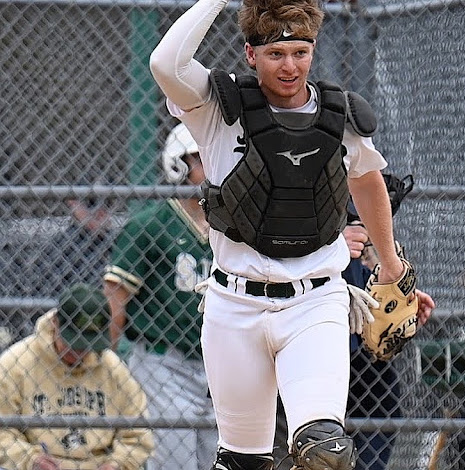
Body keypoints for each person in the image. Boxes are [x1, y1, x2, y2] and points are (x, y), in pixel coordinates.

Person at [149, 0, 435, 468]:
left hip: (314, 302)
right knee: (243, 461)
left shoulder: (336, 113)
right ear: (250, 54)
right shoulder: (216, 107)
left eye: (301, 52)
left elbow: (366, 181)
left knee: (325, 450)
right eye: (277, 53)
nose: (290, 65)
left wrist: (391, 263)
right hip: (233, 307)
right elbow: (165, 62)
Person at [272, 175, 435, 470]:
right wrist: (331, 246)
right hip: (300, 358)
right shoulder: (284, 197)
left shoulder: (362, 236)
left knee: (382, 404)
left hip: (359, 368)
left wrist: (397, 299)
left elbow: (372, 289)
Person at [103, 123, 217, 470]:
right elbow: (115, 300)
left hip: (220, 366)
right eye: (199, 159)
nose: (210, 167)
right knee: (174, 462)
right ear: (176, 164)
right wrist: (106, 360)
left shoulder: (233, 229)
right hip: (162, 362)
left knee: (222, 458)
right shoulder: (151, 225)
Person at [0, 283, 154, 470]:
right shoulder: (15, 364)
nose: (79, 352)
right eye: (72, 342)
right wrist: (30, 460)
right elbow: (3, 434)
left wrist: (116, 464)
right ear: (55, 323)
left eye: (87, 344)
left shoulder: (114, 369)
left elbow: (138, 435)